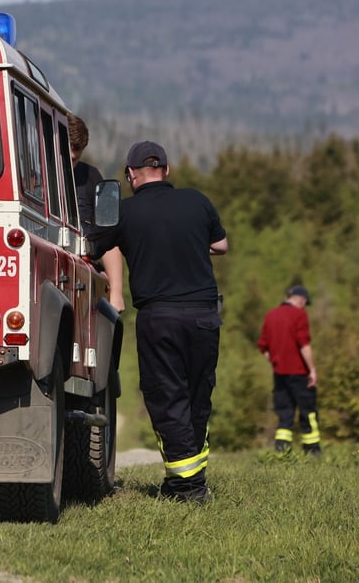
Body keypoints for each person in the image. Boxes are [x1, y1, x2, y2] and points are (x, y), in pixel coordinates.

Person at [87, 140, 227, 504]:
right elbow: (222, 245)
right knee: (197, 396)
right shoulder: (197, 200)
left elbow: (91, 248)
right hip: (204, 315)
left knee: (168, 398)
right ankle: (189, 480)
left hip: (160, 317)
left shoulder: (126, 213)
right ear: (166, 170)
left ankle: (188, 488)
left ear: (132, 175)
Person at [68, 114, 125, 313]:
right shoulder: (32, 174)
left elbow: (109, 235)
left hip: (84, 273)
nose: (71, 159)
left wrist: (116, 292)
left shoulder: (91, 177)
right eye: (66, 152)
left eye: (77, 155)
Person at [257, 285, 320, 456]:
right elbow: (304, 345)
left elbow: (263, 346)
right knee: (308, 411)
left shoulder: (271, 315)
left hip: (280, 374)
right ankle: (312, 451)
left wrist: (275, 362)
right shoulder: (299, 314)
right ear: (301, 299)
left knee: (284, 413)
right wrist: (312, 370)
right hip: (299, 372)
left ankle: (282, 451)